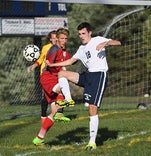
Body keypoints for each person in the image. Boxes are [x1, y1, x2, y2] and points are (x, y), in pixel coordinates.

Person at [45, 22, 121, 150]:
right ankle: (68, 99)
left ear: (90, 33)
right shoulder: (81, 48)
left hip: (99, 76)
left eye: (83, 33)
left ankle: (92, 142)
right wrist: (52, 65)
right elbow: (70, 61)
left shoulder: (98, 40)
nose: (81, 36)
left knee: (92, 108)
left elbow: (117, 42)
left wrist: (105, 43)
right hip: (88, 75)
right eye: (79, 34)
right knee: (62, 73)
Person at [33, 28, 75, 145]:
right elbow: (49, 64)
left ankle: (39, 138)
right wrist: (58, 66)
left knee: (53, 113)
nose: (64, 41)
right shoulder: (54, 49)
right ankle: (66, 102)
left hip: (54, 79)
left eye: (66, 39)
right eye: (62, 38)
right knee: (63, 83)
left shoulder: (64, 50)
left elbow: (71, 60)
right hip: (48, 78)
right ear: (57, 39)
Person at [27, 30, 59, 124]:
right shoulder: (46, 48)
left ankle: (57, 114)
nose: (55, 39)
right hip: (45, 75)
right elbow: (40, 59)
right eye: (53, 38)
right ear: (50, 39)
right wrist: (33, 66)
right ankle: (43, 116)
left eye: (56, 37)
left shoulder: (60, 47)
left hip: (55, 74)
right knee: (46, 96)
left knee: (58, 94)